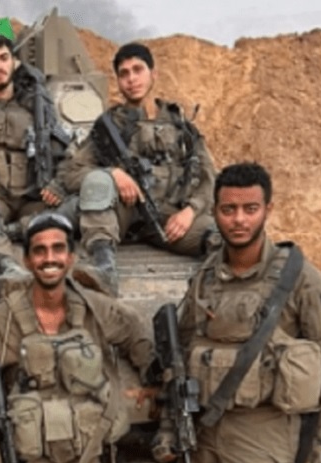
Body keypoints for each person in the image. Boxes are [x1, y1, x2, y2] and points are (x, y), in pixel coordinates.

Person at [163, 162, 321, 463]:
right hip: (209, 429)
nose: (239, 219)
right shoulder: (206, 277)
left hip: (265, 431)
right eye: (228, 209)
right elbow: (182, 350)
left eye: (250, 209)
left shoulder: (300, 279)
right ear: (215, 213)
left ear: (268, 209)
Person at [0, 212, 154, 463]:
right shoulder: (3, 320)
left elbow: (136, 334)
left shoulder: (95, 310)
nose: (49, 258)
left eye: (58, 249)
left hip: (87, 457)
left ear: (71, 257)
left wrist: (153, 382)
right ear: (27, 260)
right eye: (39, 251)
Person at [57, 42, 218, 294]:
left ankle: (217, 288)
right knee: (98, 185)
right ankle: (104, 268)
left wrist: (191, 211)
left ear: (153, 74)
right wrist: (112, 174)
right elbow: (71, 172)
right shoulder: (109, 127)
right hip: (123, 216)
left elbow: (209, 176)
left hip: (170, 219)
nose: (131, 79)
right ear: (118, 82)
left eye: (138, 70)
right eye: (124, 73)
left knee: (223, 235)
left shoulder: (180, 124)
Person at [0, 34, 73, 278]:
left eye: (3, 58)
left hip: (36, 197)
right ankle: (5, 263)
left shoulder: (39, 107)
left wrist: (59, 184)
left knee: (78, 204)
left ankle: (16, 230)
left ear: (14, 61)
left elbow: (66, 152)